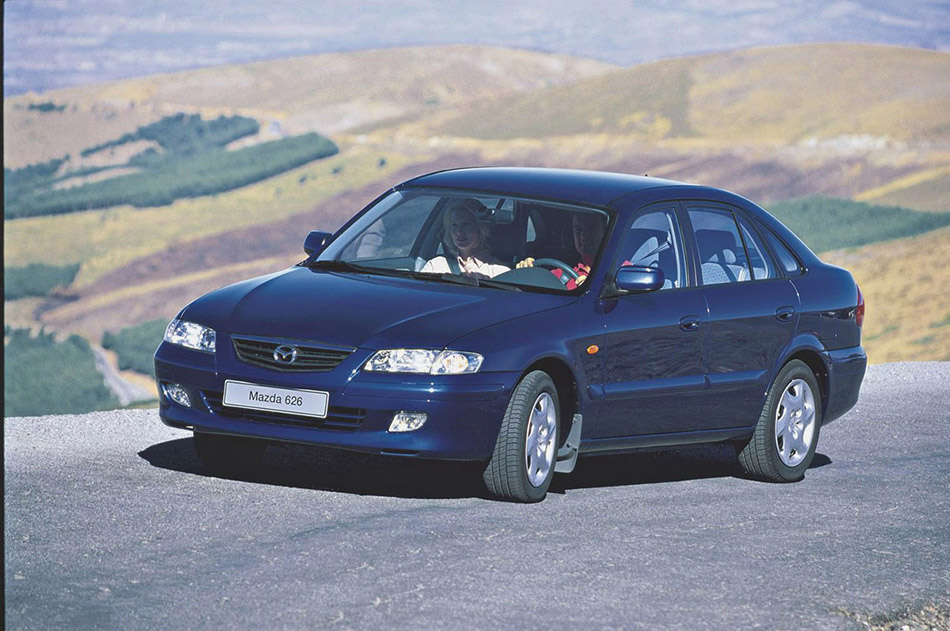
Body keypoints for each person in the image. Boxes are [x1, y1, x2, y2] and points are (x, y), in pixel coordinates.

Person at [421, 198, 510, 279]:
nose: (459, 232)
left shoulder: (498, 271)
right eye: (454, 225)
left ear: (480, 228)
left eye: (466, 224)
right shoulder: (435, 266)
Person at [517, 211, 606, 289]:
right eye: (578, 230)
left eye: (591, 229)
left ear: (605, 231)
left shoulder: (617, 274)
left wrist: (600, 289)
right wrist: (526, 273)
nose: (583, 237)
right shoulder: (561, 274)